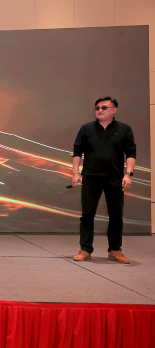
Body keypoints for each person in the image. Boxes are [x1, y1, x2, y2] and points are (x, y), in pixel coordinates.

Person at [71, 97, 136, 264]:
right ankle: (85, 250)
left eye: (104, 107)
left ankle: (115, 250)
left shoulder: (124, 129)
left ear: (114, 109)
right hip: (91, 177)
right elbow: (77, 152)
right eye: (97, 108)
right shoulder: (86, 128)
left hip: (115, 178)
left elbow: (130, 153)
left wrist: (128, 174)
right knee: (87, 214)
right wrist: (76, 173)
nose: (99, 110)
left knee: (116, 215)